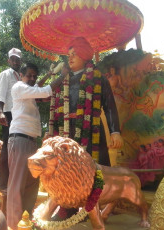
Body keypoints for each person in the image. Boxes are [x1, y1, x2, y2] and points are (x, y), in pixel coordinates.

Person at [7, 63, 68, 229]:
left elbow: (38, 87)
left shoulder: (28, 90)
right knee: (17, 185)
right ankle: (14, 225)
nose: (32, 79)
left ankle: (26, 222)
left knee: (31, 184)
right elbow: (44, 91)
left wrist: (48, 75)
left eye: (35, 76)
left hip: (32, 141)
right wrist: (62, 76)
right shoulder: (18, 87)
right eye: (29, 75)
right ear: (21, 76)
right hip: (19, 140)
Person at [51, 37, 123, 166]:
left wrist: (115, 132)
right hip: (67, 130)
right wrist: (50, 132)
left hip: (91, 129)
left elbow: (109, 107)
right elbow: (54, 108)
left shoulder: (98, 78)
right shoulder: (63, 81)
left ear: (84, 55)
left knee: (95, 168)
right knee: (69, 168)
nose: (70, 58)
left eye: (74, 54)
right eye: (69, 55)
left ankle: (98, 186)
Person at [0, 48, 22, 198]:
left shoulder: (21, 76)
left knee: (17, 148)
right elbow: (1, 94)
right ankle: (3, 184)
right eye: (12, 59)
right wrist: (0, 112)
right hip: (8, 113)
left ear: (20, 61)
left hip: (20, 114)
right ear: (9, 60)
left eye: (17, 59)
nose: (15, 61)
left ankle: (15, 181)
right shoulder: (5, 74)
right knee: (7, 146)